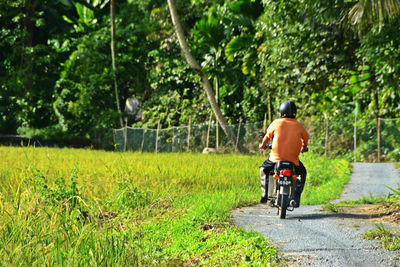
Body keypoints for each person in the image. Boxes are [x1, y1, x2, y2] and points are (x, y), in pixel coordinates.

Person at [259, 101, 309, 207]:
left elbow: (267, 137)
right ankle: (296, 197)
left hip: (275, 159)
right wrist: (304, 147)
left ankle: (265, 195)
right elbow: (306, 138)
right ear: (295, 112)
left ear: (281, 111)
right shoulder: (299, 125)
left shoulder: (276, 123)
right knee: (302, 173)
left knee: (263, 170)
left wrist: (263, 145)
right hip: (293, 161)